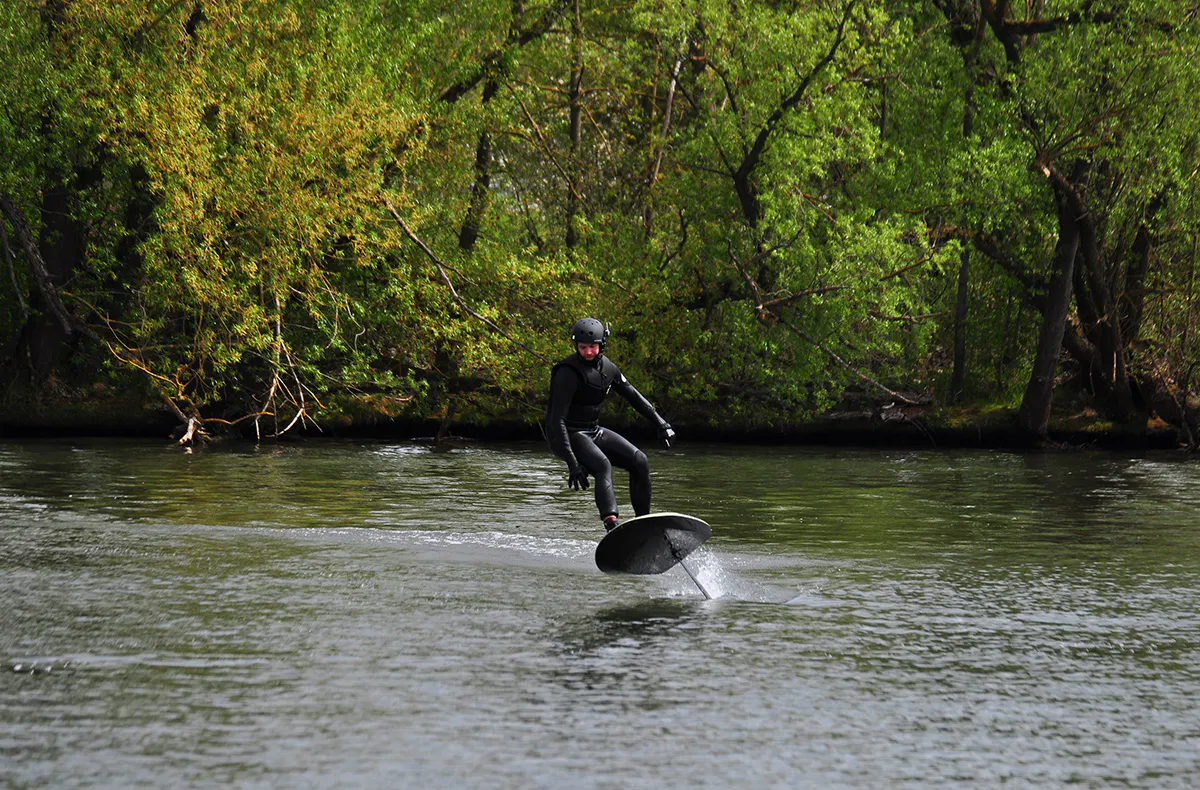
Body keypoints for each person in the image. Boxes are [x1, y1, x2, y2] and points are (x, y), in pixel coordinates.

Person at [546, 317, 675, 531]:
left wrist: (662, 424)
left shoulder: (609, 369)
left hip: (593, 431)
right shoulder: (566, 373)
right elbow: (555, 420)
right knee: (602, 465)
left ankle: (643, 523)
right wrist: (572, 462)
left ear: (602, 345)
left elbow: (633, 396)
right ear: (576, 346)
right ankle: (612, 525)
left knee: (640, 461)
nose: (588, 352)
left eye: (593, 347)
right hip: (567, 434)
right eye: (582, 347)